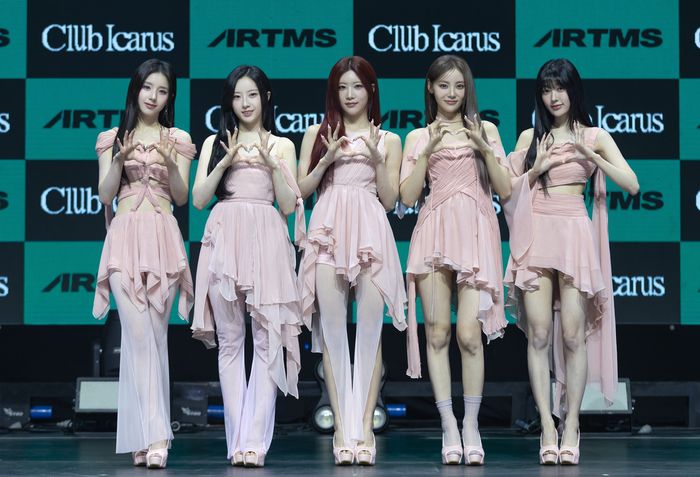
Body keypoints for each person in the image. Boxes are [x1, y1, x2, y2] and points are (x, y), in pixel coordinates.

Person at [503, 58, 639, 465]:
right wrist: (536, 169)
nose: (553, 96)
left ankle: (572, 424)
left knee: (573, 335)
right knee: (539, 334)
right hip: (536, 234)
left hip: (574, 233)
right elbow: (506, 191)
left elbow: (632, 184)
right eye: (546, 90)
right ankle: (547, 426)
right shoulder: (530, 137)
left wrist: (590, 155)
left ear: (572, 90)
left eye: (559, 88)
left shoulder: (594, 135)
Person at [398, 54, 511, 465]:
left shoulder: (486, 129)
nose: (452, 93)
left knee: (469, 334)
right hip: (433, 232)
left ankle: (471, 425)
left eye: (459, 86)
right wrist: (426, 151)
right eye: (444, 85)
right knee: (437, 333)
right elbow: (407, 196)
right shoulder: (417, 136)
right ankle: (448, 425)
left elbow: (506, 190)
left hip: (476, 233)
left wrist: (483, 147)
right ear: (430, 88)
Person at [190, 66, 304, 468]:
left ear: (266, 97)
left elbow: (288, 205)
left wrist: (271, 164)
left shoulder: (283, 145)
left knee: (268, 340)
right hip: (225, 238)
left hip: (267, 238)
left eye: (252, 95)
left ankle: (256, 440)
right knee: (231, 341)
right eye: (237, 96)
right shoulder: (214, 142)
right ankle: (236, 439)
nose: (245, 103)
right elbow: (198, 199)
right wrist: (225, 162)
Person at [296, 56, 407, 466]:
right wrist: (325, 160)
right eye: (342, 87)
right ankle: (343, 427)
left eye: (357, 86)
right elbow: (301, 190)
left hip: (370, 230)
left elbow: (391, 200)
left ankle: (364, 428)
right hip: (328, 227)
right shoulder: (317, 133)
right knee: (332, 332)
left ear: (370, 90)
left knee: (371, 334)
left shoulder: (389, 140)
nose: (349, 94)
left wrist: (376, 159)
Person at [93, 59, 196, 469]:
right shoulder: (112, 137)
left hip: (162, 237)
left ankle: (145, 436)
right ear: (135, 89)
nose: (153, 96)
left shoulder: (179, 138)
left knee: (155, 338)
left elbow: (182, 197)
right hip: (124, 238)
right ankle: (156, 435)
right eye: (148, 87)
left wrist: (170, 163)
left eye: (163, 90)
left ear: (170, 98)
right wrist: (119, 160)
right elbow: (105, 195)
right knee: (137, 337)